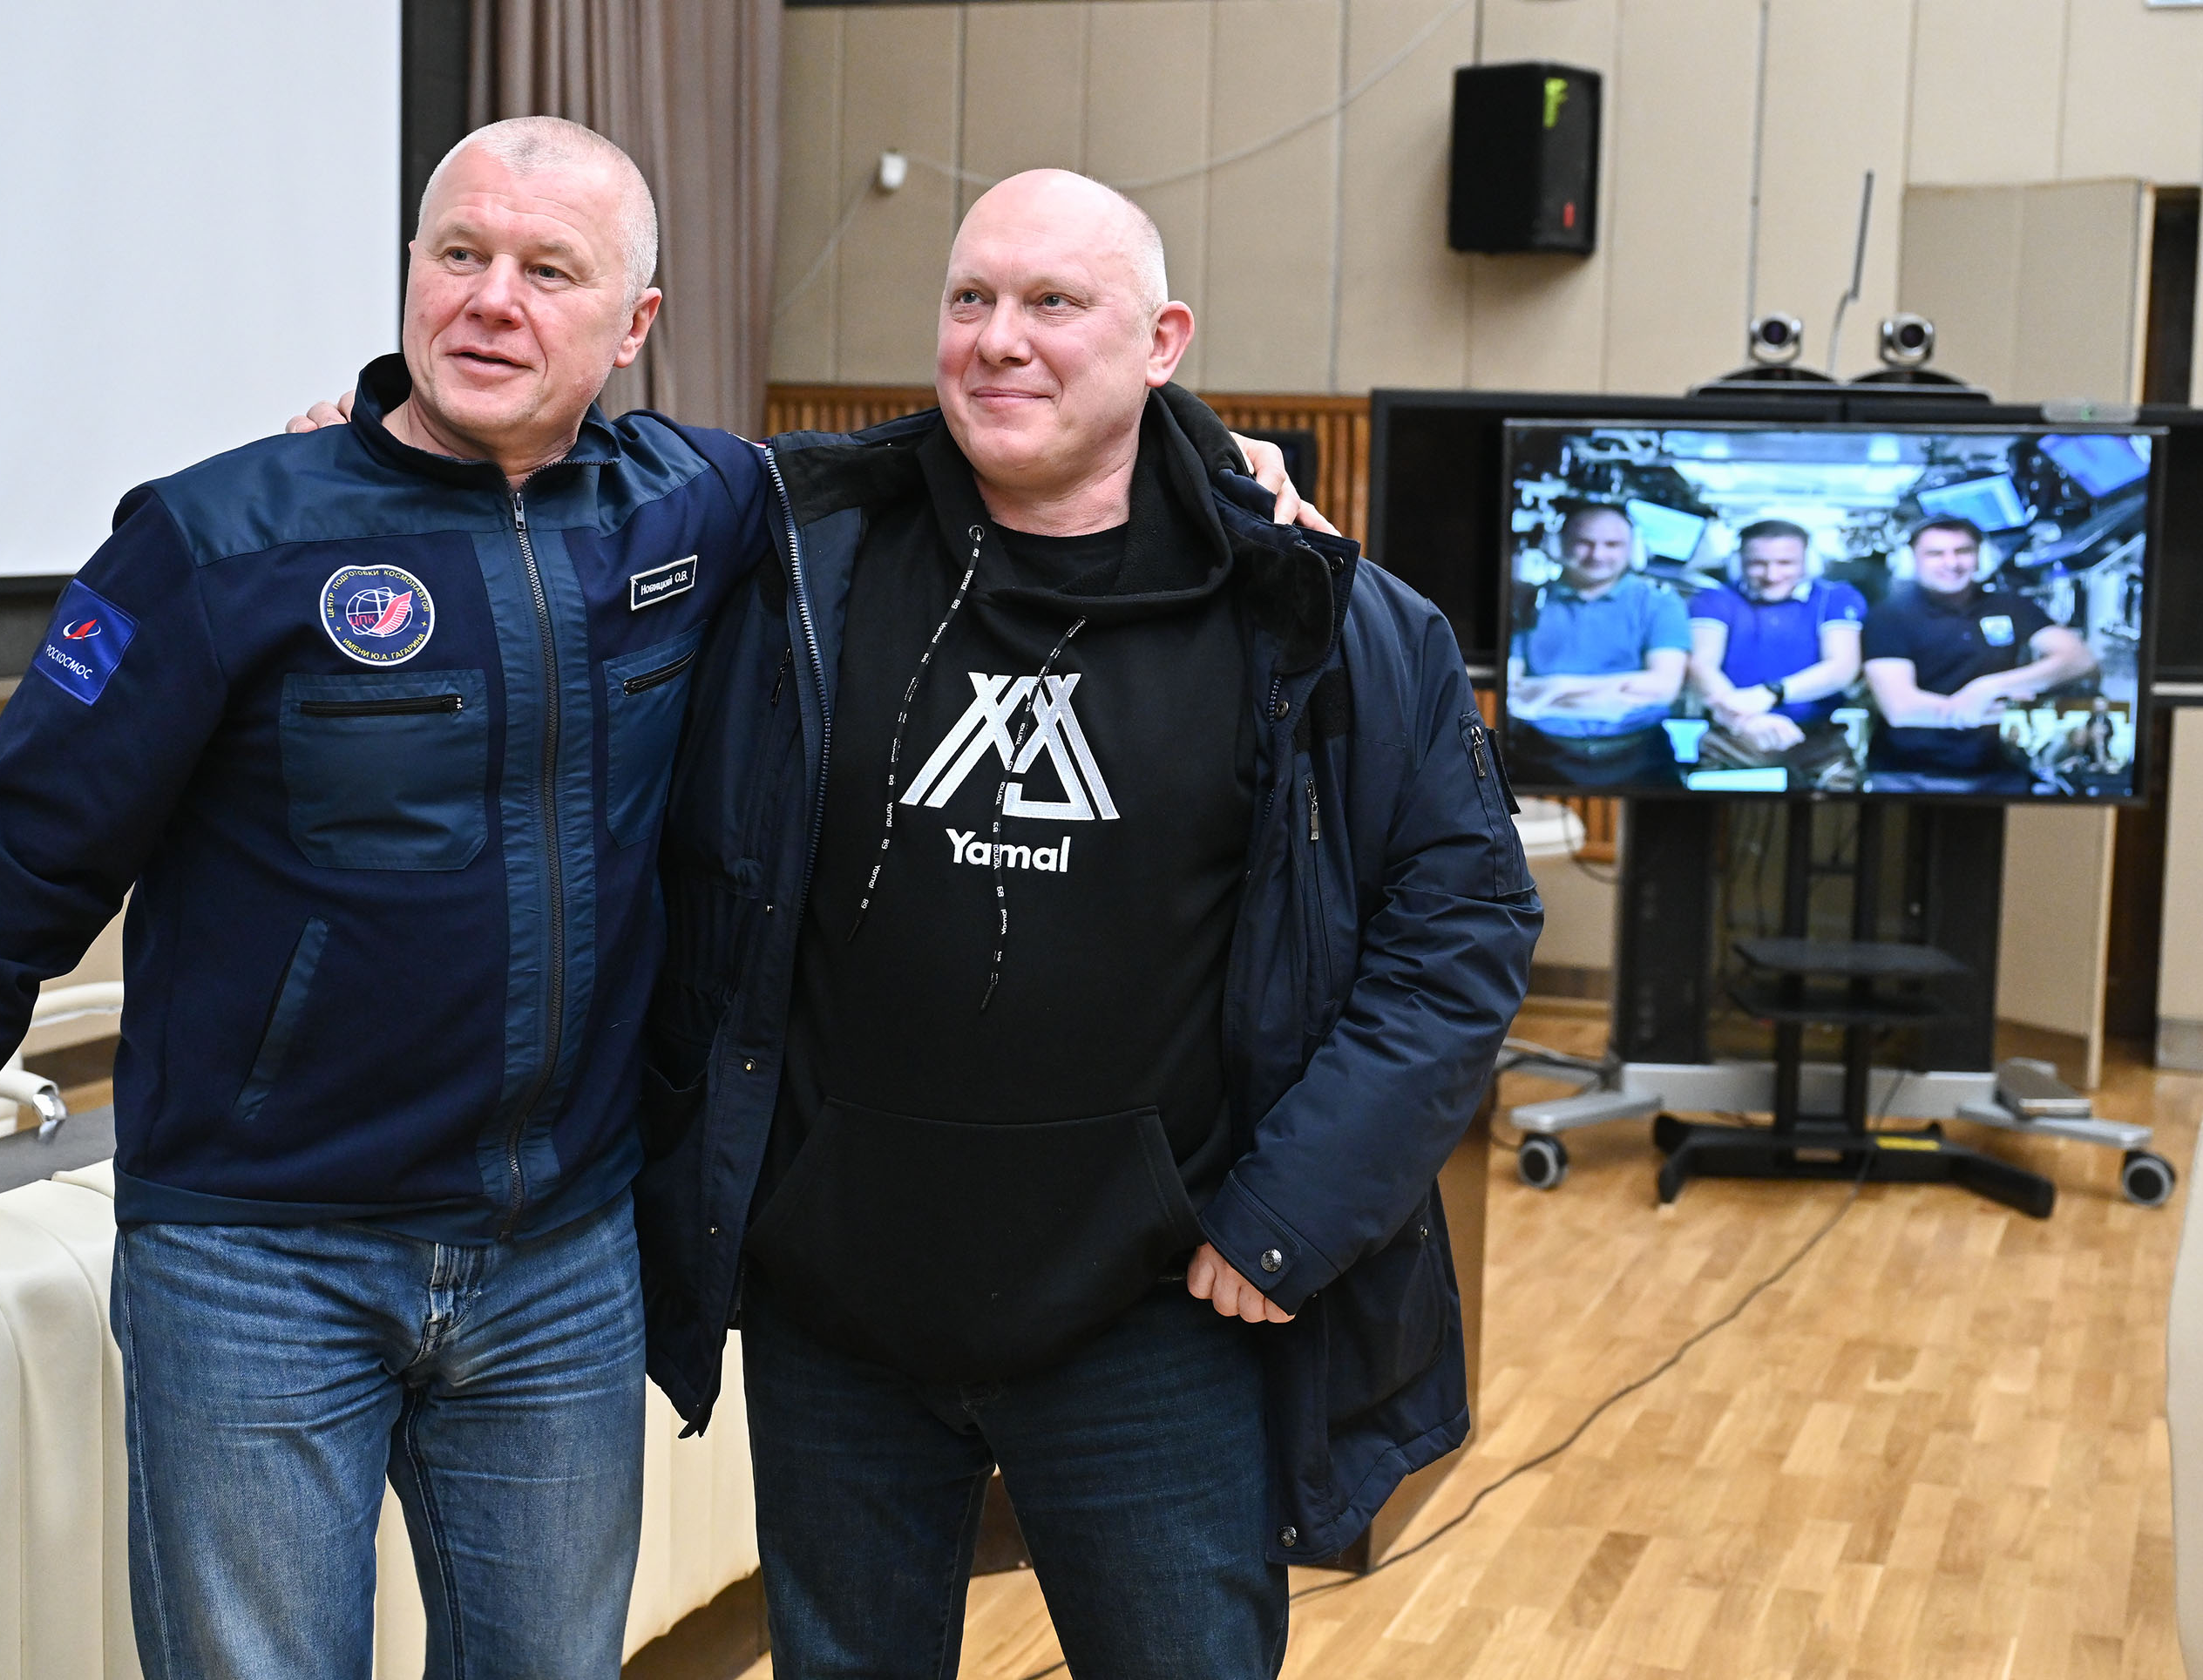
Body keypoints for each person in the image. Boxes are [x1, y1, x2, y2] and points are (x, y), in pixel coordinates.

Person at [0, 119, 1317, 1680]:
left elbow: (967, 445)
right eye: (460, 255)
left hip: (561, 1259)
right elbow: (4, 873)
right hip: (261, 1260)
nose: (492, 301)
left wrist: (1202, 459)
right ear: (409, 274)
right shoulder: (218, 538)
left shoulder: (696, 505)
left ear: (635, 325)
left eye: (551, 271)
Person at [636, 170, 1542, 1679]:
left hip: (1156, 1323)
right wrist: (378, 446)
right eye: (971, 298)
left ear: (1162, 341)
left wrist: (1287, 1216)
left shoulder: (1314, 612)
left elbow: (1462, 932)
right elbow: (570, 498)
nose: (1001, 338)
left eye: (1054, 302)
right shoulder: (799, 554)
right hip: (839, 1312)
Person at [1861, 514, 2096, 793]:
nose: (1952, 563)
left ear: (1980, 556)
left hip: (2000, 774)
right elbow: (1902, 709)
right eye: (1935, 554)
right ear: (1912, 559)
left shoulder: (2010, 605)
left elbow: (2079, 659)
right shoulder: (1888, 617)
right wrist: (1991, 710)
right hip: (1909, 777)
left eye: (1963, 551)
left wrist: (1988, 688)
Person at [1506, 502, 1690, 788]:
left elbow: (1663, 687)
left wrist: (1559, 687)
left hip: (1642, 757)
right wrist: (1617, 692)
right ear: (1559, 544)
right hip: (1540, 757)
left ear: (1633, 549)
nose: (1598, 555)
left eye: (1612, 544)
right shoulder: (1525, 602)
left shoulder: (1660, 603)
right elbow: (1513, 689)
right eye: (1585, 543)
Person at [1684, 518, 1865, 774]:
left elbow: (1842, 667)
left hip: (1819, 740)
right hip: (1734, 737)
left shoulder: (1836, 598)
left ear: (1809, 562)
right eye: (1758, 564)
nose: (1772, 575)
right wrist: (1745, 721)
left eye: (1785, 563)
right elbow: (1702, 665)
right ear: (1739, 563)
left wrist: (1770, 694)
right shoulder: (1713, 600)